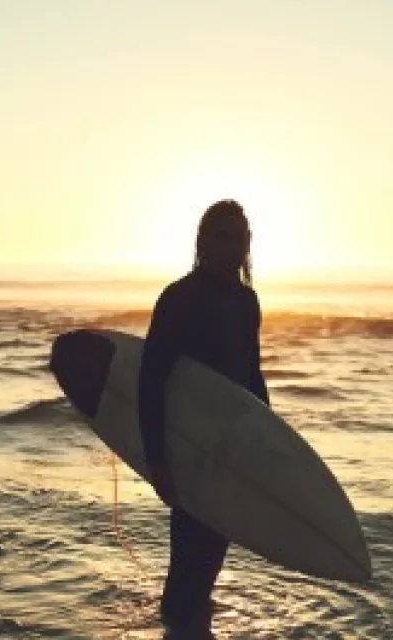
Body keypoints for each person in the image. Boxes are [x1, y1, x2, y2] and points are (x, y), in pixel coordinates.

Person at [138, 199, 270, 637]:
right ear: (203, 242)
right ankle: (179, 624)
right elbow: (150, 379)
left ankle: (191, 625)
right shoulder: (179, 299)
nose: (235, 247)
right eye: (224, 237)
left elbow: (252, 375)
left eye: (242, 237)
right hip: (190, 446)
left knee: (214, 549)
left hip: (229, 445)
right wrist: (156, 458)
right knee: (190, 551)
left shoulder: (246, 301)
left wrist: (269, 439)